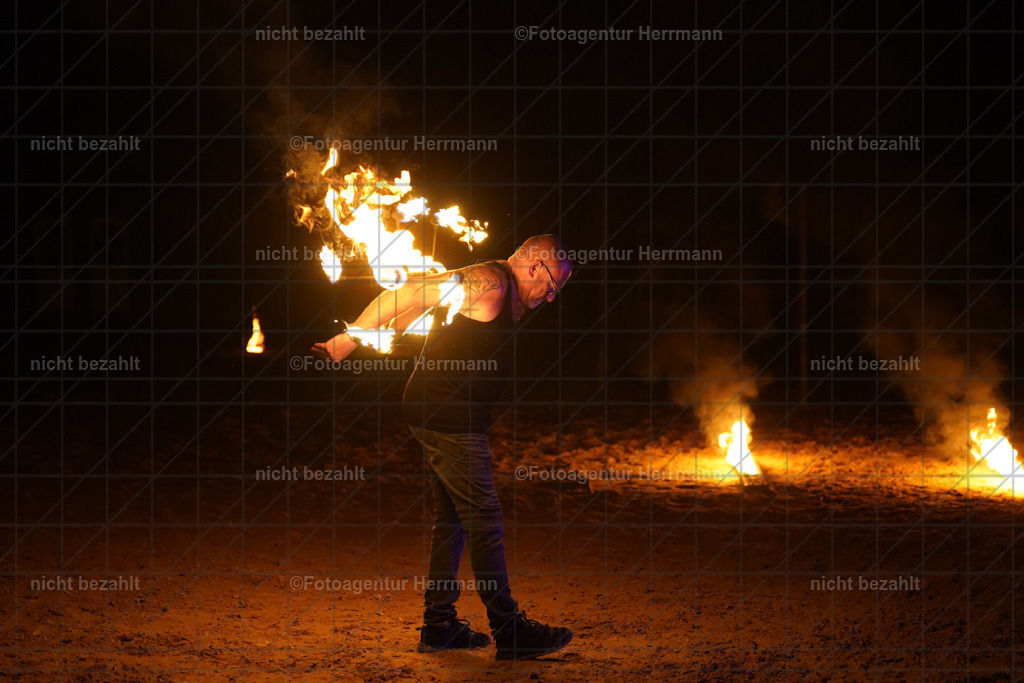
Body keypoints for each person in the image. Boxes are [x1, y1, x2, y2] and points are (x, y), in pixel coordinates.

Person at [313, 234, 574, 660]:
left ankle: (439, 627)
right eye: (552, 284)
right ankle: (509, 630)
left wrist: (403, 322)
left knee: (452, 517)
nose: (551, 296)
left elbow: (425, 306)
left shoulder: (506, 294)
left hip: (446, 414)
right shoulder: (491, 282)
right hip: (448, 419)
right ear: (533, 266)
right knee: (484, 521)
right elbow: (410, 290)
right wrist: (354, 336)